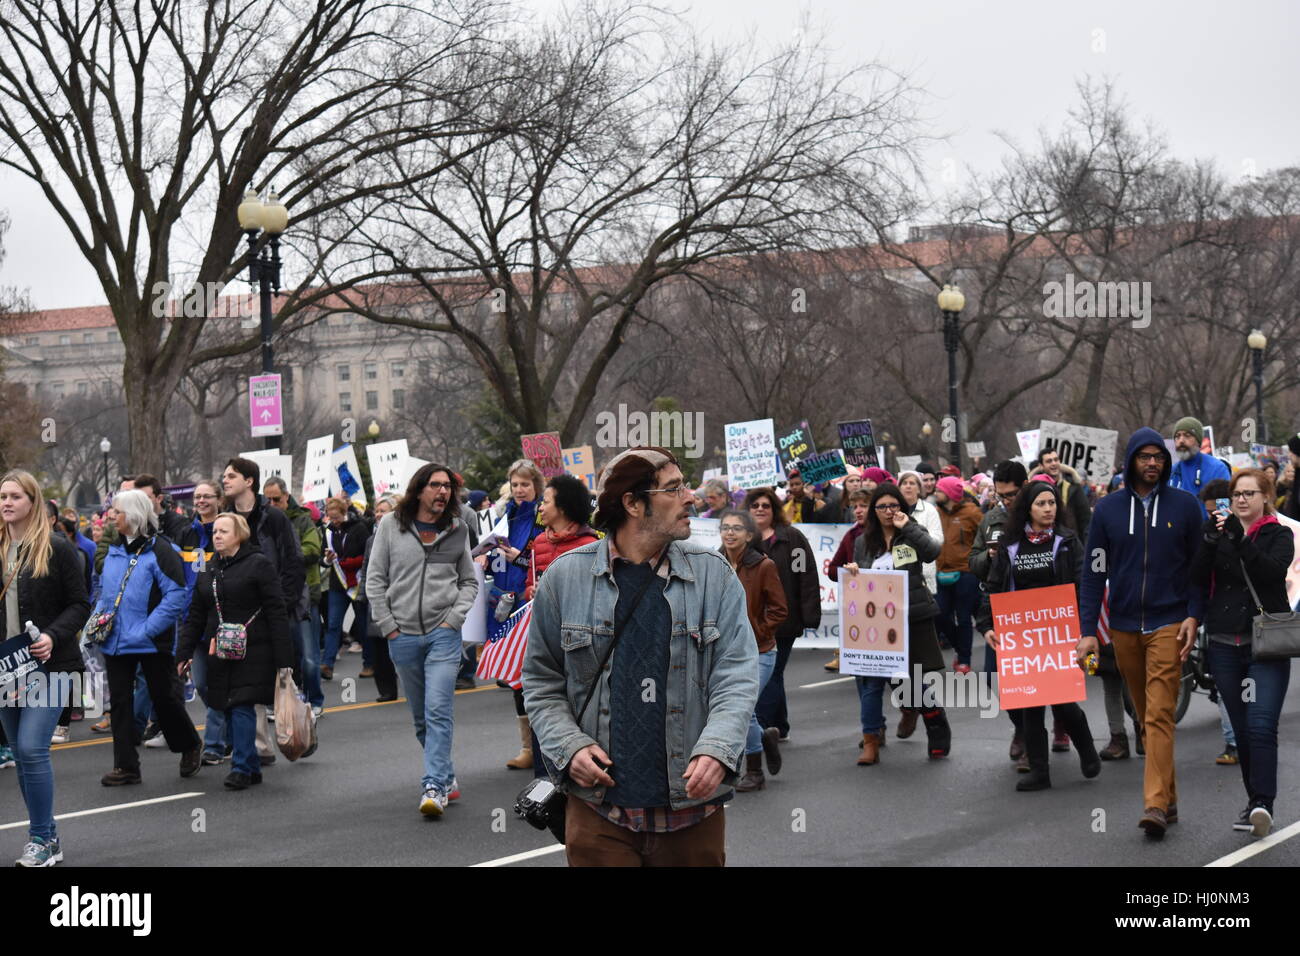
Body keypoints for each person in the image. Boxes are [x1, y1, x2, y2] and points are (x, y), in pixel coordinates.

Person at [523, 447, 758, 866]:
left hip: (692, 811)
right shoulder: (564, 579)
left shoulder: (714, 575)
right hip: (599, 811)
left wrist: (717, 748)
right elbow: (542, 681)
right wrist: (569, 747)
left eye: (685, 486)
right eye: (673, 489)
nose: (691, 497)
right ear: (632, 503)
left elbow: (736, 675)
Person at [1075, 428, 1205, 839]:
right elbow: (1094, 573)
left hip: (1169, 622)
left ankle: (1153, 806)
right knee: (1145, 715)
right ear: (1131, 459)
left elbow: (1200, 569)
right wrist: (1087, 631)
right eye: (1145, 456)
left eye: (1159, 457)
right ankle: (1169, 797)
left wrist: (1194, 616)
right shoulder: (1107, 511)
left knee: (1159, 712)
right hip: (1124, 626)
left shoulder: (1185, 507)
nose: (1153, 463)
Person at [366, 463, 479, 816]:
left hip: (443, 636)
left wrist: (453, 621)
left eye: (447, 486)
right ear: (419, 490)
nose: (443, 492)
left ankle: (433, 786)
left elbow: (469, 582)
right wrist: (389, 626)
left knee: (438, 710)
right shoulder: (390, 526)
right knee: (421, 718)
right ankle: (445, 773)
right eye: (435, 485)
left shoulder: (457, 529)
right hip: (402, 636)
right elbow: (375, 581)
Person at [977, 478, 1101, 790]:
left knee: (1062, 701)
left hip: (1060, 633)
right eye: (1041, 504)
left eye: (1051, 503)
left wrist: (1086, 627)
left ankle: (1087, 751)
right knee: (1029, 705)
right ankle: (1039, 771)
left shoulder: (1067, 540)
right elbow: (993, 587)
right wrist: (987, 625)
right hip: (1022, 636)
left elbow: (1083, 582)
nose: (1048, 509)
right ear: (1027, 510)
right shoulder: (1010, 545)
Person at [1190, 468, 1294, 837]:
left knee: (1261, 725)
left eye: (1250, 493)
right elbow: (1197, 578)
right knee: (1243, 730)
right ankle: (1255, 802)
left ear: (1266, 497)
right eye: (1237, 494)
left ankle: (1263, 801)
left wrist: (1241, 541)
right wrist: (1208, 541)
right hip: (1223, 646)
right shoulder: (1219, 534)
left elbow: (1271, 573)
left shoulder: (1278, 534)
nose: (1242, 499)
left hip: (1265, 647)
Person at [0, 471, 91, 866]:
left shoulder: (56, 548)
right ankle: (49, 838)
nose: (6, 503)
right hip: (6, 669)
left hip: (51, 665)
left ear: (33, 503)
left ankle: (40, 839)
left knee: (31, 748)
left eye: (15, 497)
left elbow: (80, 604)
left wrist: (53, 635)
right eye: (2, 496)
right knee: (20, 755)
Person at [93, 490, 203, 787]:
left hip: (153, 641)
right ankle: (126, 766)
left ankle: (189, 744)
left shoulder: (162, 551)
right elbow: (105, 592)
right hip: (115, 640)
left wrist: (145, 630)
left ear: (134, 515)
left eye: (117, 512)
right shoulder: (113, 550)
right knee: (119, 704)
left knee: (164, 699)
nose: (111, 516)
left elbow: (176, 596)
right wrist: (97, 621)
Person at [177, 513, 295, 790]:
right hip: (219, 648)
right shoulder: (209, 568)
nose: (216, 536)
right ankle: (251, 766)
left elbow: (276, 610)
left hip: (254, 648)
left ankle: (241, 766)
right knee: (223, 702)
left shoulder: (259, 564)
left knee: (241, 704)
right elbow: (195, 614)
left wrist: (284, 659)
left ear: (239, 535)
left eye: (223, 531)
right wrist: (183, 652)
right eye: (215, 531)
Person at [839, 483, 950, 763]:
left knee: (911, 682)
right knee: (873, 681)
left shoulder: (910, 534)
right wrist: (853, 570)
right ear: (874, 511)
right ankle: (871, 740)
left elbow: (932, 552)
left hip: (911, 618)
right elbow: (861, 575)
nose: (889, 512)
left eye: (894, 506)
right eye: (883, 507)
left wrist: (908, 526)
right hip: (876, 625)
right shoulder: (865, 542)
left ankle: (935, 724)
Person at [505, 474, 600, 771]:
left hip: (579, 638)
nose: (540, 508)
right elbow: (531, 581)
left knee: (573, 699)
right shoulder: (539, 542)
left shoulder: (591, 543)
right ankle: (542, 767)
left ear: (564, 507)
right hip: (542, 632)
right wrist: (532, 589)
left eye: (545, 502)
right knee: (539, 694)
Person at [219, 458, 305, 766]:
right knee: (243, 680)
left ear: (249, 481)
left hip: (273, 609)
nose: (224, 480)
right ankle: (253, 744)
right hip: (238, 613)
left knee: (284, 674)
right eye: (224, 475)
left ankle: (297, 725)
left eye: (231, 475)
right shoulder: (223, 518)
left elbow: (293, 561)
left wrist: (280, 602)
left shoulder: (274, 519)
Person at [717, 508, 787, 791]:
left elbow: (779, 609)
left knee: (742, 708)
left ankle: (754, 772)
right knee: (741, 708)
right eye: (725, 527)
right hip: (725, 651)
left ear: (748, 535)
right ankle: (765, 736)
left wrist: (757, 631)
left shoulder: (763, 565)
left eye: (736, 528)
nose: (730, 532)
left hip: (760, 652)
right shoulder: (714, 562)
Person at [746, 486, 820, 742]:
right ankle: (781, 725)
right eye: (755, 506)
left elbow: (806, 576)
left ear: (774, 509)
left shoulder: (791, 538)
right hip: (752, 621)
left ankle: (764, 726)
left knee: (771, 673)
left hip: (783, 619)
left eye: (765, 505)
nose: (760, 510)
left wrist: (808, 615)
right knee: (773, 673)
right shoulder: (742, 538)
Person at [968, 460, 1029, 766]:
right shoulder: (991, 518)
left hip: (1035, 608)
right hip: (1001, 607)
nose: (1008, 501)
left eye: (1013, 494)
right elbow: (973, 560)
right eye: (1002, 494)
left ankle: (1036, 738)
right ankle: (1021, 727)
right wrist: (989, 558)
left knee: (1037, 678)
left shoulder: (1041, 511)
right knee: (997, 677)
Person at [476, 459, 545, 691]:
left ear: (536, 486)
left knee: (525, 672)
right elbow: (495, 552)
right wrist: (484, 558)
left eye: (525, 484)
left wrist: (520, 558)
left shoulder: (543, 516)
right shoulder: (502, 515)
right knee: (507, 669)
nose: (519, 489)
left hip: (527, 596)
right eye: (514, 484)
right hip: (501, 595)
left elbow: (545, 561)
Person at [264, 478, 325, 716]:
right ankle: (282, 700)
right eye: (267, 499)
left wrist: (289, 550)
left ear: (287, 497)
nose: (272, 503)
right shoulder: (263, 523)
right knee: (283, 655)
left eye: (276, 499)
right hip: (276, 597)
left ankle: (315, 699)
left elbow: (313, 550)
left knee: (309, 657)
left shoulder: (302, 519)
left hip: (304, 596)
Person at [1192, 480, 1240, 766]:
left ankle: (1251, 739)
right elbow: (1197, 573)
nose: (1212, 517)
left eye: (1216, 511)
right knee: (1224, 683)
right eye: (1207, 512)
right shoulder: (1206, 532)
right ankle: (1233, 742)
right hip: (1216, 616)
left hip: (1249, 618)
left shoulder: (1250, 530)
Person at [932, 475, 983, 673]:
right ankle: (959, 647)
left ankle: (964, 660)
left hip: (966, 573)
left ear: (951, 494)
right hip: (941, 572)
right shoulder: (934, 512)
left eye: (939, 490)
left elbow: (986, 536)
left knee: (963, 618)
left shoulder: (971, 512)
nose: (935, 493)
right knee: (939, 615)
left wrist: (979, 561)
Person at [355, 494, 400, 704]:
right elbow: (366, 569)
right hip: (377, 599)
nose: (379, 514)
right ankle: (387, 689)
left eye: (384, 510)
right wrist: (362, 595)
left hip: (401, 599)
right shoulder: (371, 540)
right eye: (377, 511)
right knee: (378, 646)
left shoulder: (405, 535)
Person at [318, 496, 368, 680]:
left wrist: (349, 562)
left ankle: (369, 663)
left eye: (337, 517)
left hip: (357, 581)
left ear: (344, 513)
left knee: (363, 625)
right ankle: (327, 664)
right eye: (331, 518)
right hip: (337, 583)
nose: (334, 521)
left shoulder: (359, 528)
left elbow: (367, 554)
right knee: (333, 624)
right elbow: (322, 559)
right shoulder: (329, 532)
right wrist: (327, 559)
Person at [897, 470, 943, 595]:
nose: (908, 486)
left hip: (924, 573)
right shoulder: (893, 510)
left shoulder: (929, 510)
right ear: (899, 488)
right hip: (898, 574)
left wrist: (917, 541)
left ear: (919, 489)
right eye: (904, 483)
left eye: (912, 483)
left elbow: (937, 539)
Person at [1032, 450, 1092, 537]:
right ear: (1041, 466)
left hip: (1070, 541)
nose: (1054, 463)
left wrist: (1085, 546)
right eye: (1049, 461)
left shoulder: (1073, 486)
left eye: (1056, 460)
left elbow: (1085, 519)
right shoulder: (1033, 488)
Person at [1168, 416, 1230, 497]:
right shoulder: (1171, 472)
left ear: (1198, 441)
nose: (1181, 440)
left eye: (1187, 435)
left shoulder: (1217, 468)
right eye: (1177, 436)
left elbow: (1224, 504)